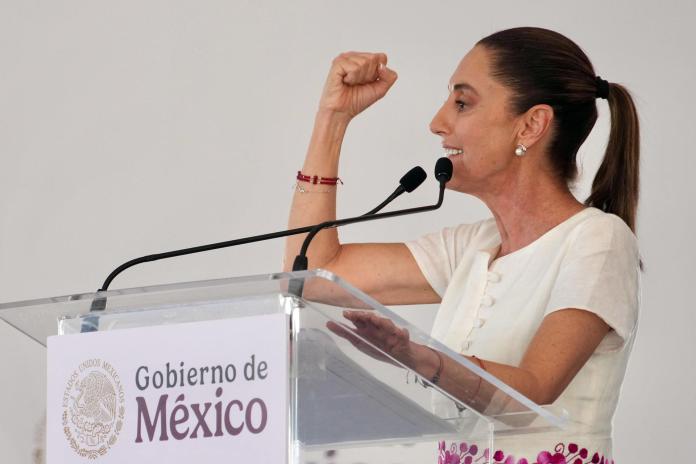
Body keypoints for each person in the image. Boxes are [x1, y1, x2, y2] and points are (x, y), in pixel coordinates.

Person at [284, 27, 640, 463]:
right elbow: (312, 275)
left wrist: (417, 357)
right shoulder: (472, 247)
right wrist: (331, 120)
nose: (438, 124)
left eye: (462, 103)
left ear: (531, 125)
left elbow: (534, 391)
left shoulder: (597, 240)